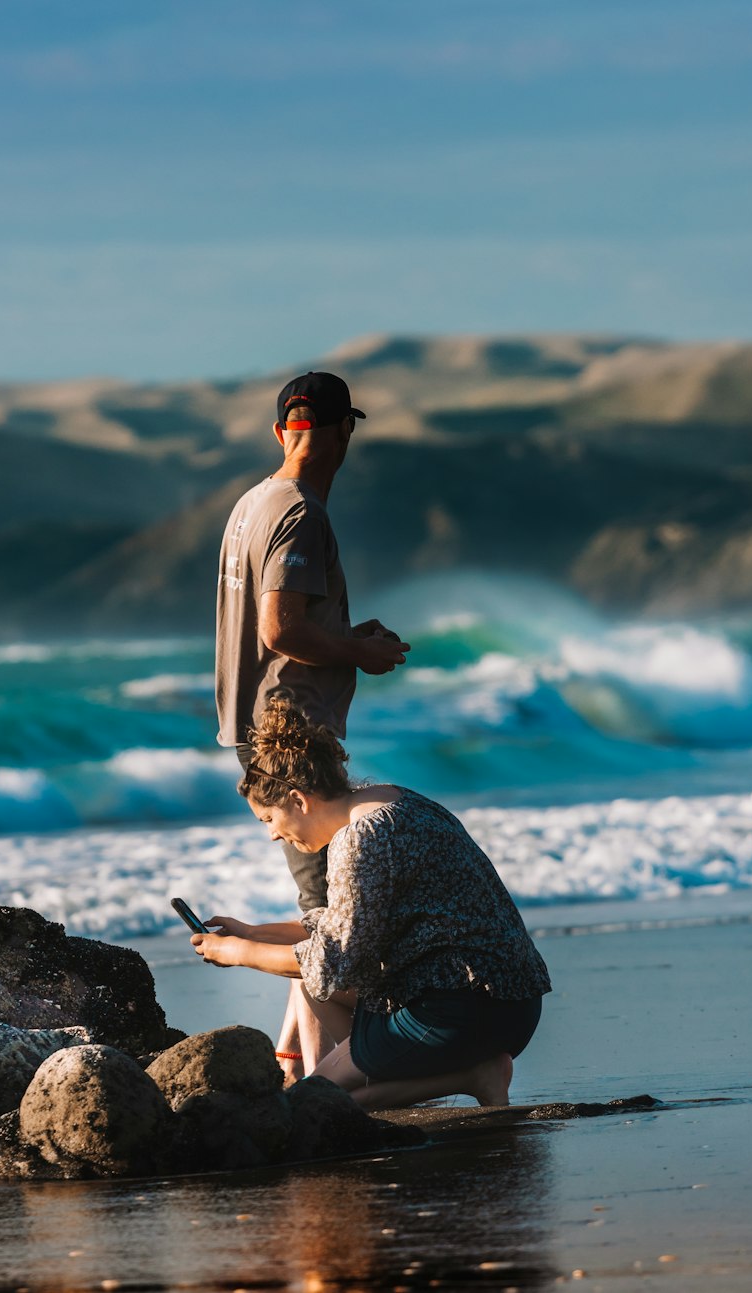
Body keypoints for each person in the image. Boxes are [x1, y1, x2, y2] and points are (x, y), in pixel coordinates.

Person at [193, 698, 551, 1110]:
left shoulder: (360, 838)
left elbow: (332, 959)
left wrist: (239, 953)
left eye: (268, 820)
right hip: (516, 1004)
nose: (273, 835)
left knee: (312, 1102)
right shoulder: (396, 800)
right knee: (313, 985)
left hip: (458, 1014)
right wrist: (253, 933)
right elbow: (341, 929)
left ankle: (474, 1075)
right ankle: (381, 1065)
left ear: (298, 800)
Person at [214, 370, 410, 1082]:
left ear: (280, 432)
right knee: (331, 914)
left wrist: (348, 634)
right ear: (342, 434)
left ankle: (294, 1062)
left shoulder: (251, 503)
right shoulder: (301, 512)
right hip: (290, 734)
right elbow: (281, 628)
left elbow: (280, 626)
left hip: (255, 723)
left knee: (323, 904)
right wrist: (358, 651)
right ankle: (328, 1085)